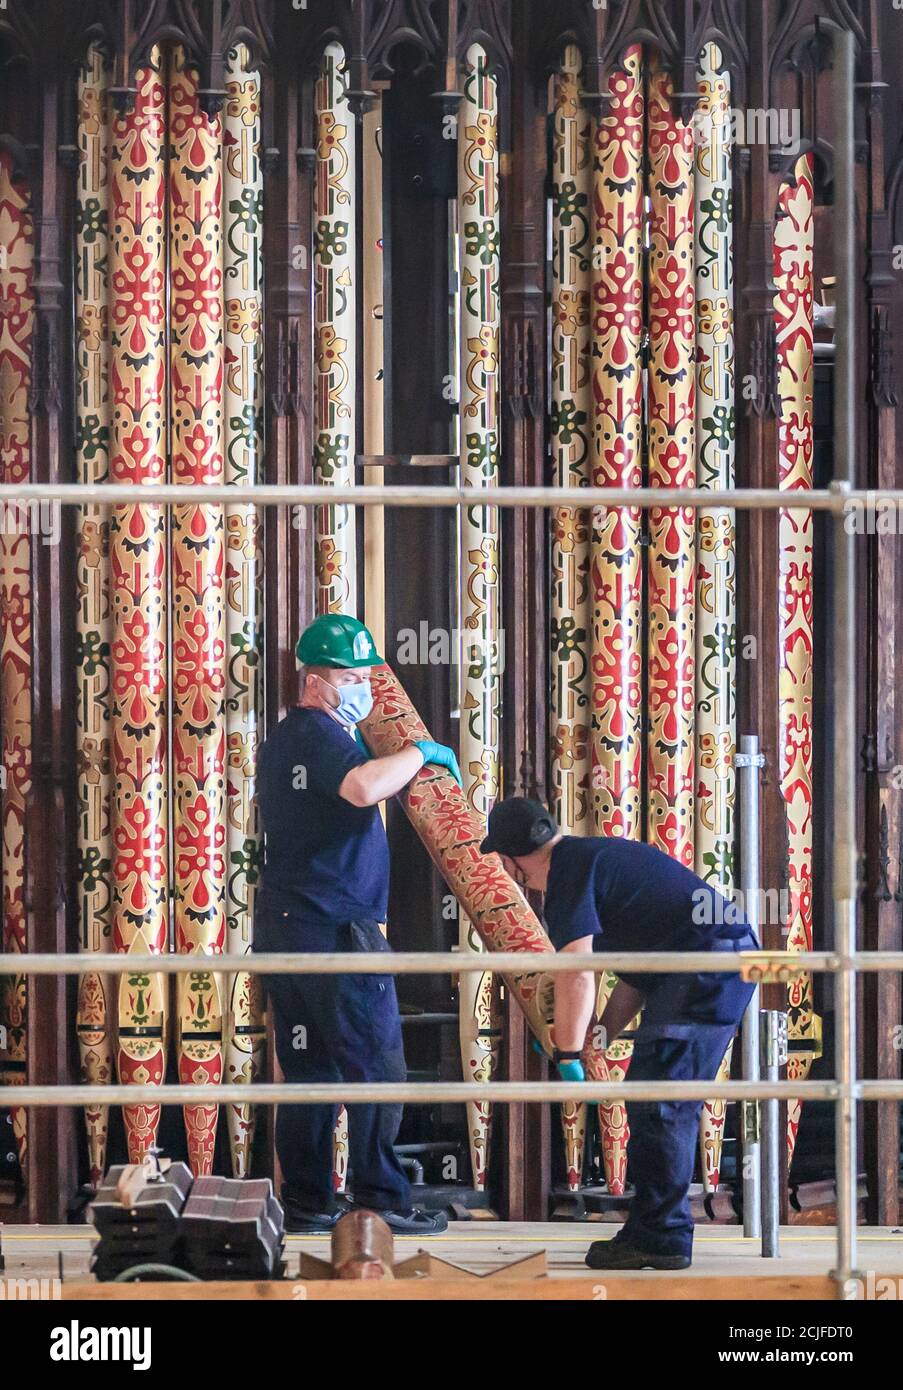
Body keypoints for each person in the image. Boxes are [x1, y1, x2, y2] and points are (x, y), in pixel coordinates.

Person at [479, 796, 759, 1270]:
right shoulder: (595, 858)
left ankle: (664, 1236)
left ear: (511, 860)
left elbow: (577, 971)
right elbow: (635, 974)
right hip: (710, 964)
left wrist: (567, 1052)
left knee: (661, 1104)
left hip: (707, 967)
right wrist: (601, 1035)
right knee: (654, 1100)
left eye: (503, 865)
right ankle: (653, 1227)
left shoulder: (569, 872)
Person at [254, 613, 461, 1234]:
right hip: (336, 931)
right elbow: (364, 788)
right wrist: (419, 753)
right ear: (316, 683)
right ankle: (382, 1200)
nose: (363, 688)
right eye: (351, 677)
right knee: (377, 1064)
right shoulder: (316, 734)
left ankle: (312, 1200)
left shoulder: (291, 741)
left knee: (311, 1069)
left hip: (292, 930)